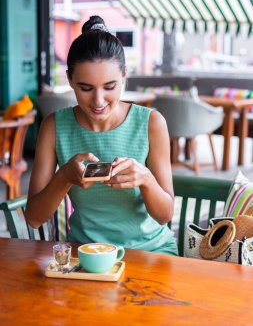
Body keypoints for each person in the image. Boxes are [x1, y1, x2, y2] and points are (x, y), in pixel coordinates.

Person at [25, 15, 178, 255]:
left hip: (150, 252)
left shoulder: (151, 123)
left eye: (109, 87)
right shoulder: (54, 126)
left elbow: (164, 215)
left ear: (124, 76)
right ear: (70, 80)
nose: (98, 101)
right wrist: (64, 177)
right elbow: (33, 218)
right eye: (85, 88)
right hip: (86, 254)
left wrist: (146, 179)